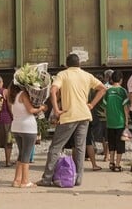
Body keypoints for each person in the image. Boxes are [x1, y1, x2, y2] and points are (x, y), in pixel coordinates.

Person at [36, 54, 106, 187]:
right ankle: (78, 179)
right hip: (84, 115)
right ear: (79, 64)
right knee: (80, 147)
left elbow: (53, 90)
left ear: (67, 64)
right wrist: (91, 104)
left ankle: (46, 179)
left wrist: (56, 109)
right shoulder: (87, 75)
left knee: (55, 147)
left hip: (69, 115)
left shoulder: (63, 75)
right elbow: (103, 89)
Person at [8, 80, 47, 187]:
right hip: (28, 127)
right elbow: (30, 110)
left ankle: (17, 180)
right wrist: (42, 107)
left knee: (21, 153)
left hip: (16, 127)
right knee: (26, 154)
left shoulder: (13, 97)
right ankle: (25, 181)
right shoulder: (23, 94)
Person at [103, 70, 129, 172]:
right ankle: (118, 164)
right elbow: (125, 108)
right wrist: (126, 122)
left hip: (110, 122)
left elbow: (105, 108)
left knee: (111, 143)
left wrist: (107, 118)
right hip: (120, 122)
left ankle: (111, 162)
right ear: (121, 80)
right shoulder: (122, 91)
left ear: (111, 79)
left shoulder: (108, 91)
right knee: (120, 144)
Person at [0, 75, 13, 168]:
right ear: (1, 82)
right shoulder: (5, 91)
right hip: (6, 119)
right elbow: (9, 105)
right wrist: (13, 116)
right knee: (8, 142)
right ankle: (8, 161)